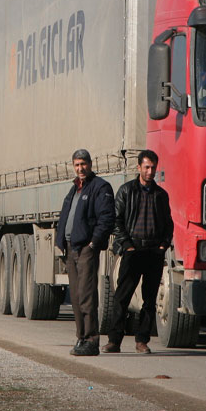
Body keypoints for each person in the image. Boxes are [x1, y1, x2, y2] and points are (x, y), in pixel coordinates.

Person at [103, 150, 173, 354]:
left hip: (153, 252)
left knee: (149, 299)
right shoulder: (126, 191)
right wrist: (127, 245)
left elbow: (168, 224)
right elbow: (116, 221)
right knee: (122, 298)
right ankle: (114, 341)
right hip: (133, 251)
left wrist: (163, 246)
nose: (150, 171)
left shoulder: (161, 195)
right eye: (146, 167)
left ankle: (142, 340)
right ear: (139, 167)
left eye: (153, 167)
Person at [56, 149, 115, 357]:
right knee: (76, 295)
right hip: (71, 249)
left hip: (85, 249)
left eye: (84, 164)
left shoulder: (100, 187)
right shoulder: (74, 189)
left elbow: (107, 218)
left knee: (87, 296)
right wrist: (60, 242)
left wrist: (93, 243)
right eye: (77, 165)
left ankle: (91, 340)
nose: (80, 168)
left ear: (90, 164)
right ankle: (81, 338)